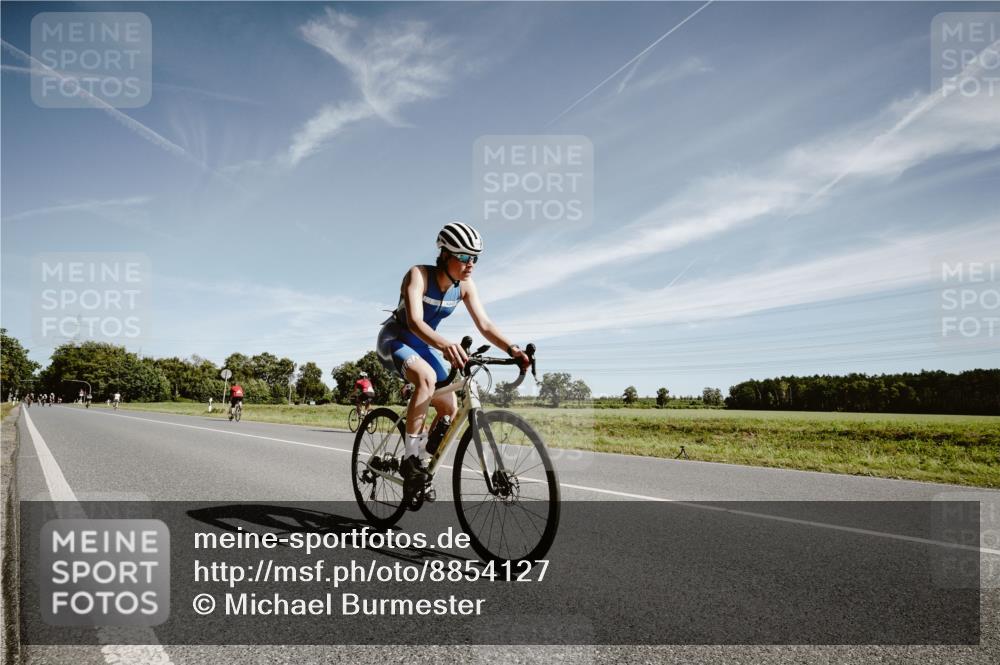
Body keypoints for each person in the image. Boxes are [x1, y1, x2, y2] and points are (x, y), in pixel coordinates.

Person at [376, 222, 530, 489]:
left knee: (450, 407)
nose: (470, 264)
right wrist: (446, 345)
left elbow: (485, 325)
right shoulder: (419, 275)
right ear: (445, 255)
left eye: (475, 258)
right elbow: (414, 322)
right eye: (463, 257)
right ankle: (410, 458)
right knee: (425, 378)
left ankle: (422, 458)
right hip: (395, 340)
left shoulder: (466, 286)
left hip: (423, 346)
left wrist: (512, 349)